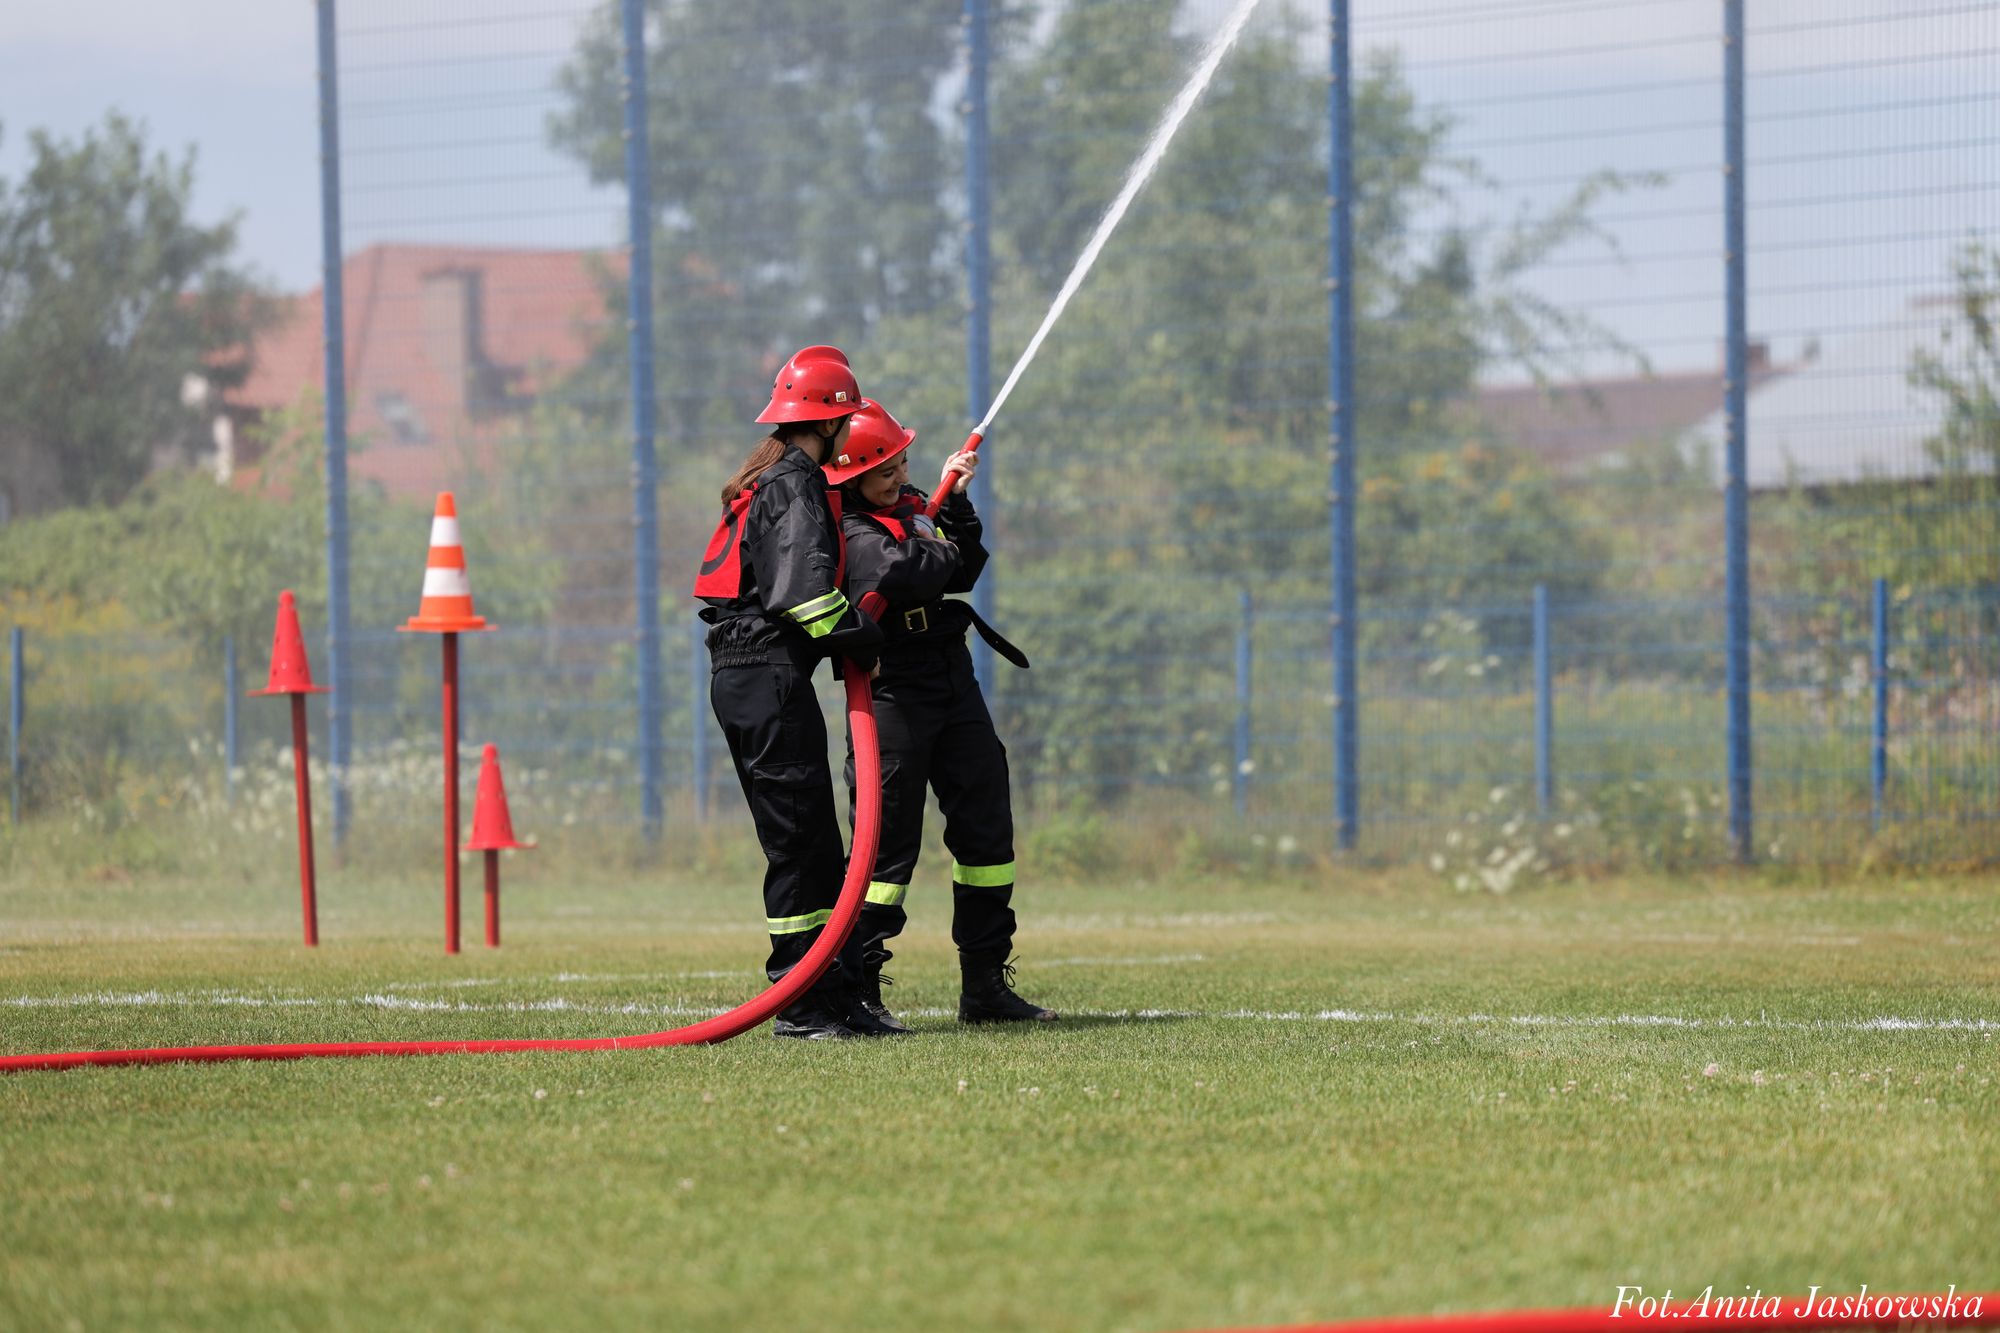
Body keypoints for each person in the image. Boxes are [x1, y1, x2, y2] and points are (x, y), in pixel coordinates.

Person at [822, 398, 1057, 1033]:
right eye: (884, 472)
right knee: (884, 844)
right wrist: (932, 539)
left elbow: (965, 568)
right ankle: (860, 990)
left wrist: (951, 512)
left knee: (986, 828)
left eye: (902, 463)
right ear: (848, 480)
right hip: (891, 688)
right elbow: (903, 569)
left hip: (951, 678)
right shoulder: (844, 529)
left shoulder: (917, 510)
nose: (900, 478)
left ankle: (985, 985)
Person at [695, 345, 889, 1040]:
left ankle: (832, 997)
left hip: (756, 674)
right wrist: (861, 634)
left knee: (812, 839)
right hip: (763, 674)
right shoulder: (793, 481)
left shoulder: (773, 474)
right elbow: (803, 596)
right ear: (832, 422)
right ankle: (800, 1003)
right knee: (800, 840)